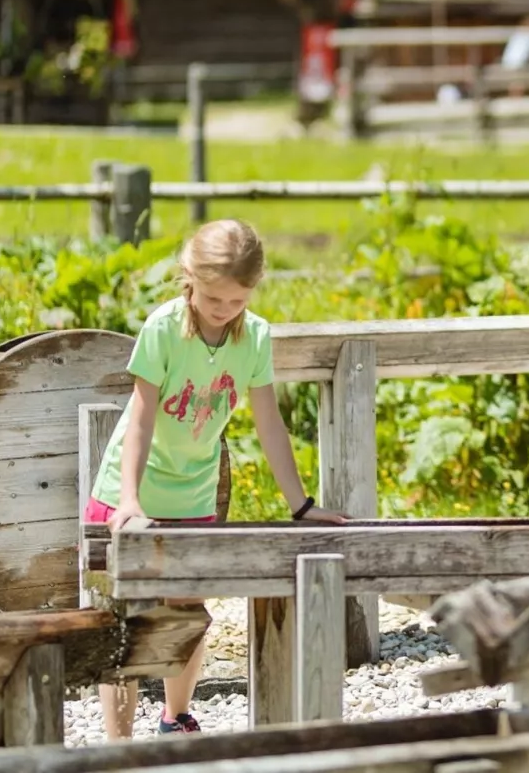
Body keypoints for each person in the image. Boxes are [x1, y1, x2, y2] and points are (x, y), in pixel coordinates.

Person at [87, 220, 345, 738]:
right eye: (213, 299)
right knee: (124, 624)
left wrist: (300, 504)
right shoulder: (163, 328)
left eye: (236, 301)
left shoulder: (255, 337)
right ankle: (118, 746)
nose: (224, 310)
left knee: (188, 614)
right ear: (189, 277)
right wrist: (129, 500)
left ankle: (174, 717)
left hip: (194, 493)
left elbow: (269, 423)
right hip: (128, 491)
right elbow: (140, 415)